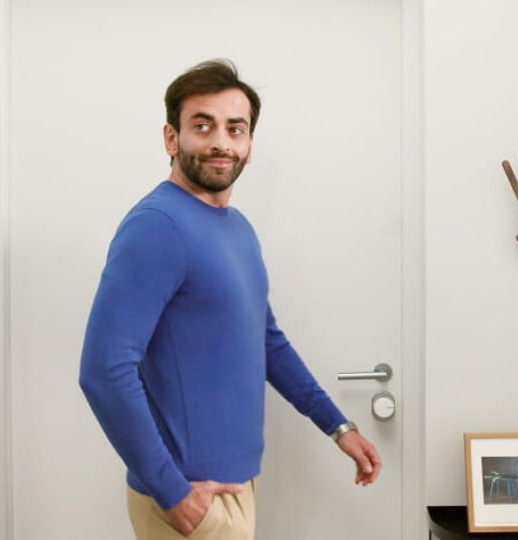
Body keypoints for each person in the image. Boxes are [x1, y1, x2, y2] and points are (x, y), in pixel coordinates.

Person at [78, 59, 382, 540]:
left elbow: (267, 343)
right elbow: (103, 369)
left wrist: (337, 426)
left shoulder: (238, 230)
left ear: (249, 144)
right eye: (203, 126)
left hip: (233, 488)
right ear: (171, 138)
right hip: (188, 497)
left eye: (235, 128)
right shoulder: (156, 226)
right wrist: (173, 494)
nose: (221, 141)